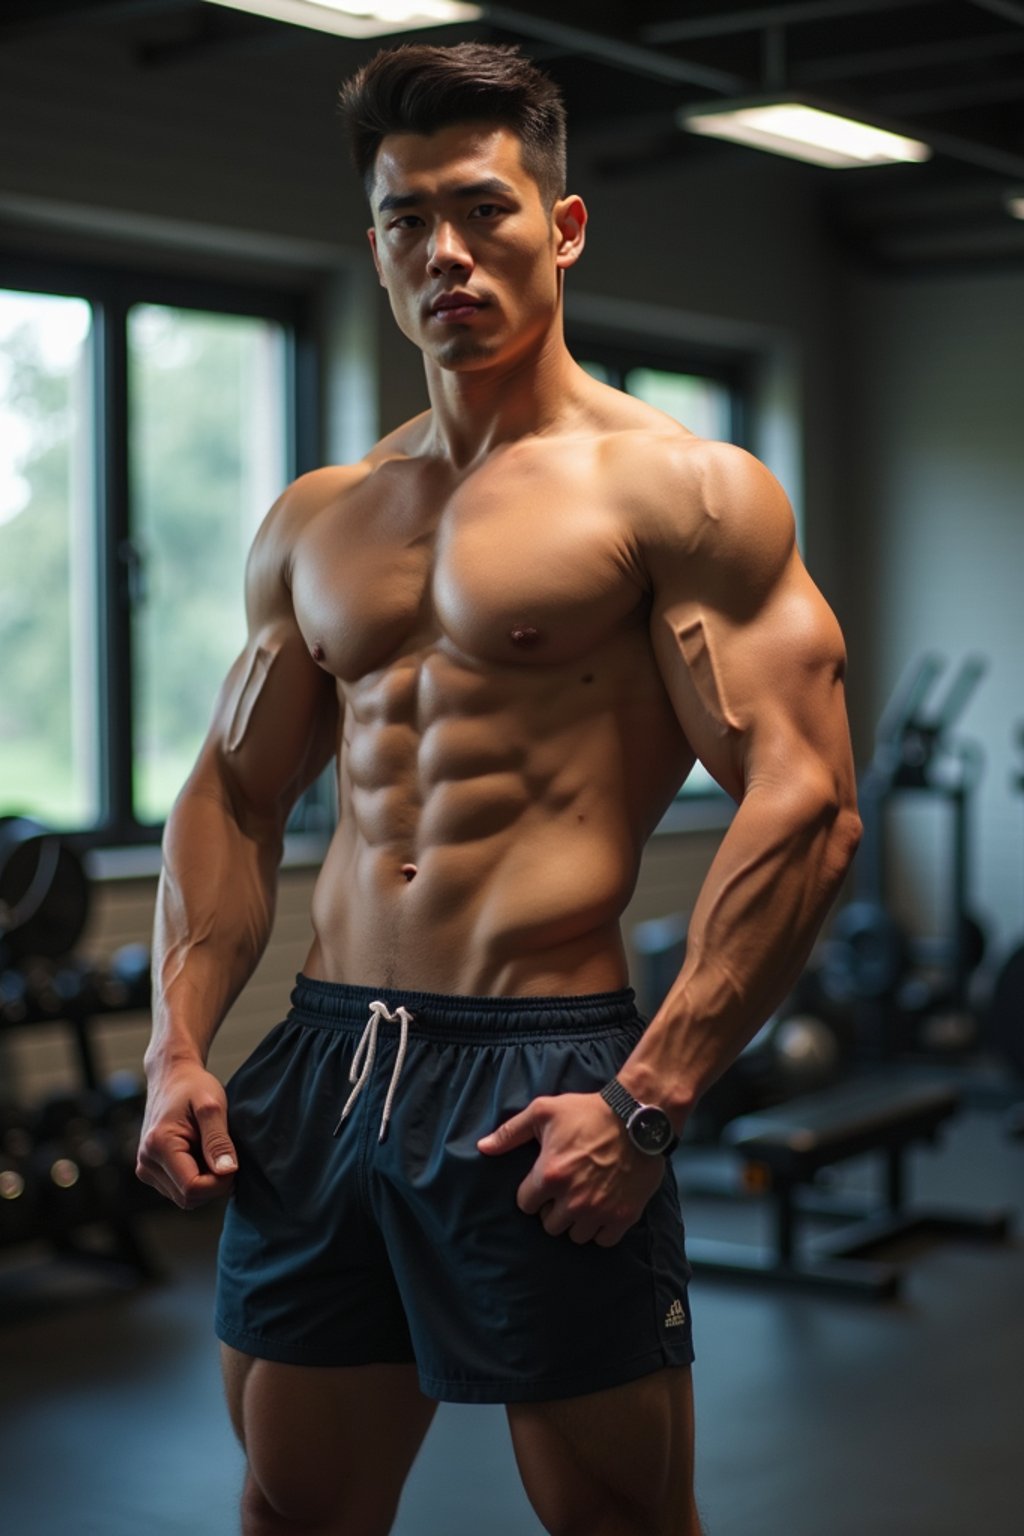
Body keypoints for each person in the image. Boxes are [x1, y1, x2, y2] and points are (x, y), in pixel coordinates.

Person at [137, 40, 861, 1536]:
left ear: (566, 226)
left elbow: (807, 804)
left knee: (616, 1519)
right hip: (328, 1062)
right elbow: (230, 790)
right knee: (291, 1504)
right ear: (376, 245)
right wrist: (175, 1044)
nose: (446, 255)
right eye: (409, 219)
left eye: (485, 210)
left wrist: (650, 1100)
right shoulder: (321, 521)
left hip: (543, 1072)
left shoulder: (681, 491)